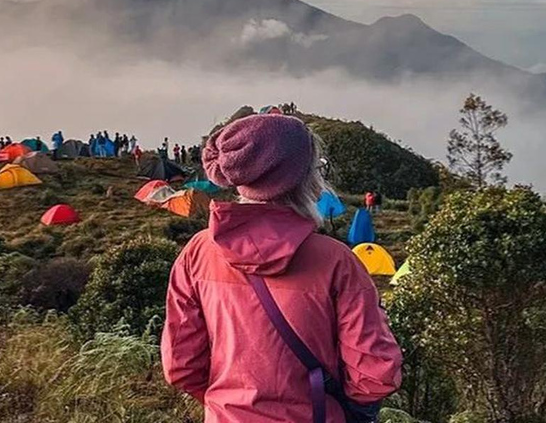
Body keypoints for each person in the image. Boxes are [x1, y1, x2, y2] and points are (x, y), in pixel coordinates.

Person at [161, 114, 402, 422]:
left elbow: (181, 367)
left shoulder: (197, 252)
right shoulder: (337, 262)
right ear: (302, 177)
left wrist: (235, 403)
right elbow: (374, 375)